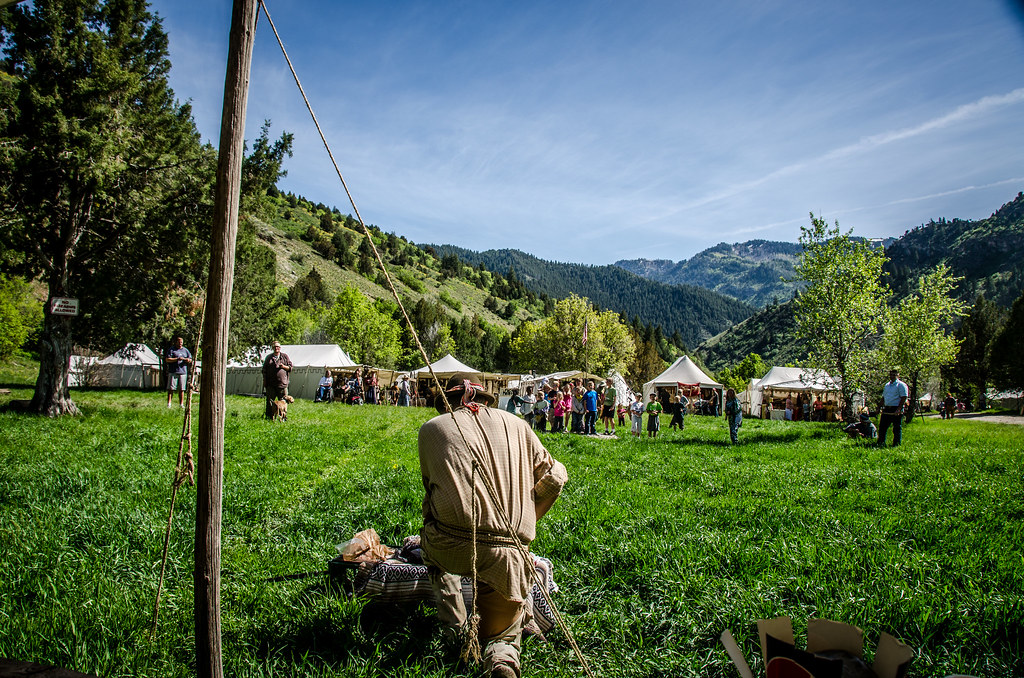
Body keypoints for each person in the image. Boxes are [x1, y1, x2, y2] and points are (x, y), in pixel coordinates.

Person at [419, 374, 568, 678]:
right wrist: (528, 517)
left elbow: (430, 492)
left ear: (448, 402)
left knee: (432, 556)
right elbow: (556, 477)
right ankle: (501, 657)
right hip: (508, 553)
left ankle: (457, 629)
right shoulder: (519, 425)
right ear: (485, 399)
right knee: (501, 633)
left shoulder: (432, 429)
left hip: (452, 545)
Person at [877, 369, 909, 447]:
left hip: (896, 408)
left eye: (894, 375)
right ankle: (881, 443)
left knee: (896, 428)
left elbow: (904, 397)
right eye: (891, 375)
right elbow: (884, 397)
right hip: (887, 408)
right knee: (882, 427)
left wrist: (899, 409)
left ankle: (896, 444)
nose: (892, 376)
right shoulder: (887, 385)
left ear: (898, 375)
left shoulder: (901, 385)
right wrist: (879, 407)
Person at [262, 342, 292, 420]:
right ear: (273, 348)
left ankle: (283, 417)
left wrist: (283, 367)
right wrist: (264, 381)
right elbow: (264, 370)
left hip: (282, 384)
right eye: (275, 347)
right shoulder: (269, 358)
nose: (276, 348)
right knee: (270, 402)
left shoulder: (284, 357)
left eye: (278, 347)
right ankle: (269, 417)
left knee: (283, 402)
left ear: (280, 348)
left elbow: (290, 368)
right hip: (271, 384)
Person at [164, 336, 193, 409]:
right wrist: (177, 359)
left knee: (182, 389)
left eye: (181, 342)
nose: (180, 344)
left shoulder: (185, 350)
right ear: (176, 342)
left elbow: (190, 359)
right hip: (173, 371)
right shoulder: (172, 350)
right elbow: (167, 359)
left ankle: (181, 404)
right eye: (179, 342)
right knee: (171, 388)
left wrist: (186, 360)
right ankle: (169, 404)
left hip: (183, 372)